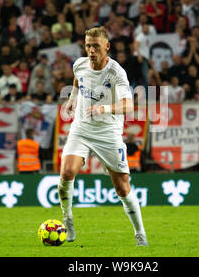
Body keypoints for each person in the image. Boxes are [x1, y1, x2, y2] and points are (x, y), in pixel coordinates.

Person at [59, 26, 148, 246]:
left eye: (95, 46)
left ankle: (140, 234)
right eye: (88, 45)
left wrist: (104, 109)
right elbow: (77, 83)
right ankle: (68, 219)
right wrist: (72, 99)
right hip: (81, 128)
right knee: (67, 174)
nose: (91, 50)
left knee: (122, 186)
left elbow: (128, 105)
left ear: (106, 46)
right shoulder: (79, 65)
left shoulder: (116, 72)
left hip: (108, 132)